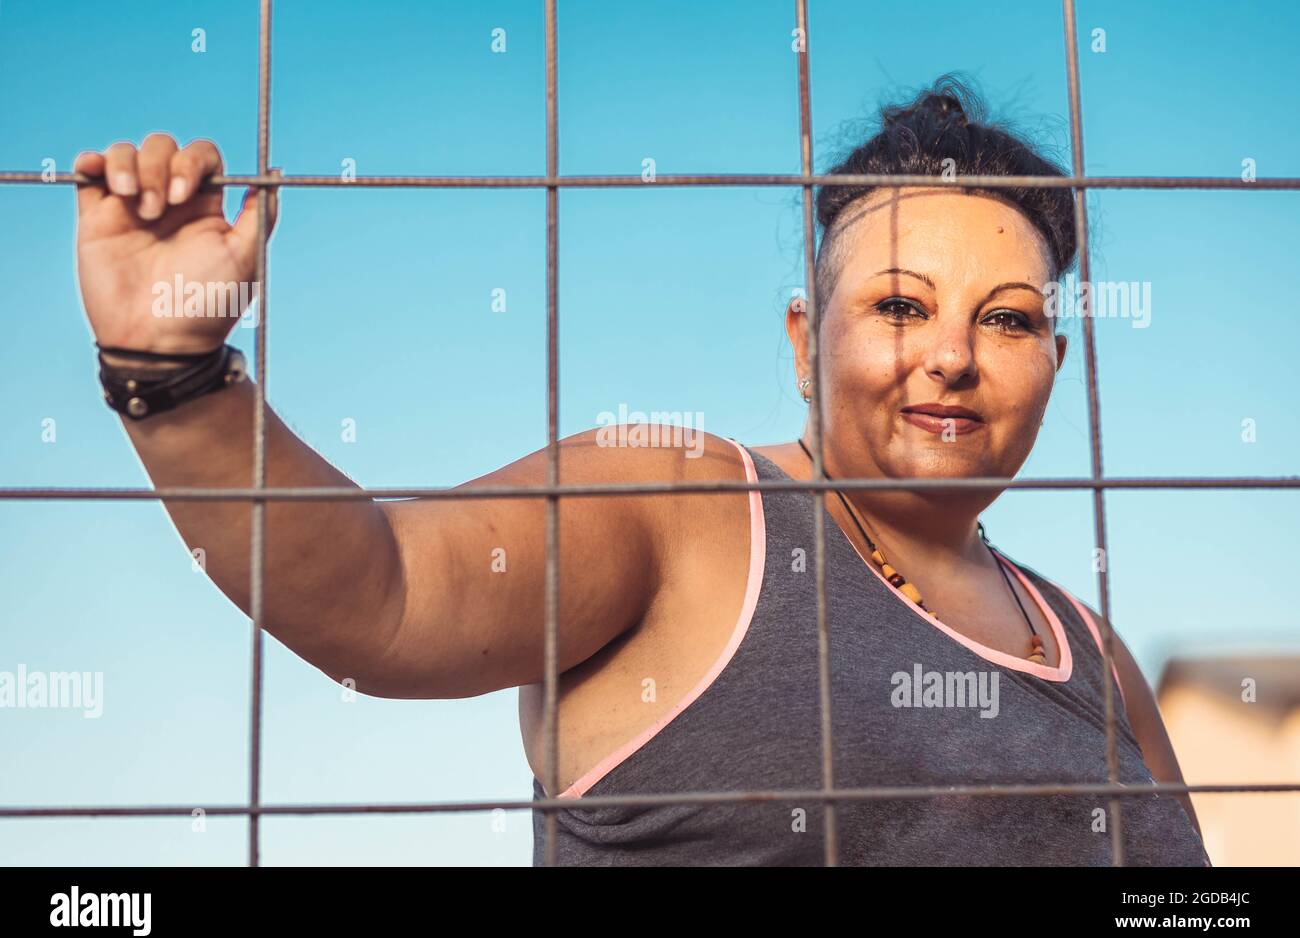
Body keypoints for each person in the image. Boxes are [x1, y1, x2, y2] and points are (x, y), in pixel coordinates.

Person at [73, 75, 1208, 866]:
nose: (952, 356)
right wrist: (172, 377)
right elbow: (381, 595)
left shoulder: (1089, 652)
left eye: (1005, 320)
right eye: (899, 305)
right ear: (805, 342)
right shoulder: (687, 505)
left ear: (1053, 362)